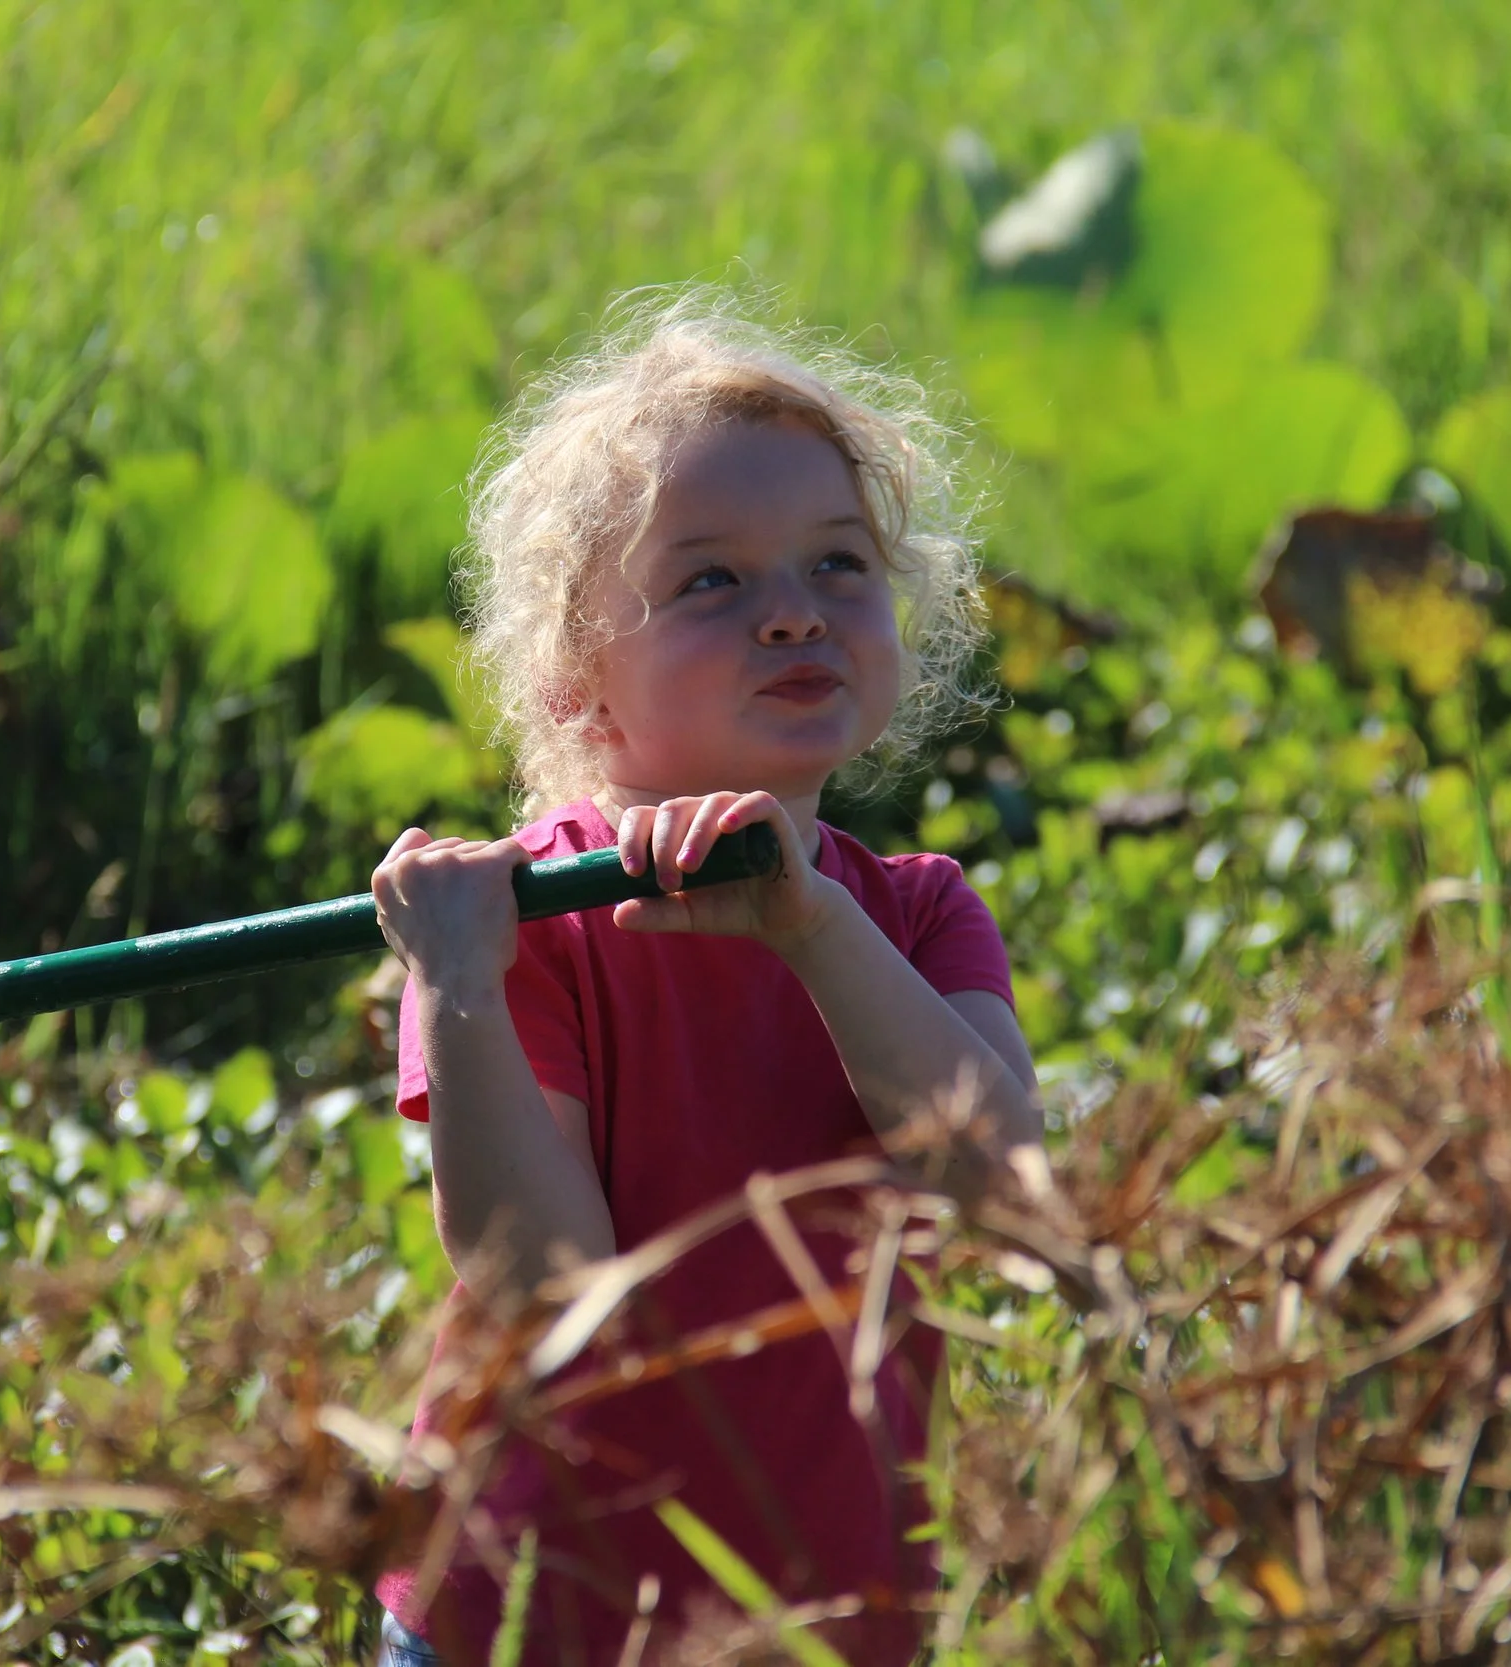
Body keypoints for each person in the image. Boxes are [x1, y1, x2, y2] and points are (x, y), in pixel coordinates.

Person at [365, 293, 1042, 1665]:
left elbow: (1004, 1190)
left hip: (831, 1621)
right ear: (578, 678)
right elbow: (550, 1286)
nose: (793, 615)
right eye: (712, 583)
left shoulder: (916, 914)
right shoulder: (521, 930)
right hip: (535, 1619)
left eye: (840, 563)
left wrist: (814, 928)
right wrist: (461, 983)